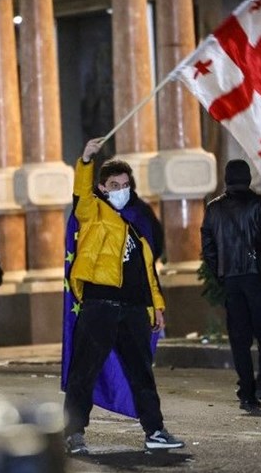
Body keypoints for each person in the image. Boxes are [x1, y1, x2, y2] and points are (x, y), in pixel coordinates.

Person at [63, 137, 184, 455]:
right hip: (99, 305)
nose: (121, 189)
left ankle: (155, 430)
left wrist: (156, 305)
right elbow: (81, 195)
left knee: (141, 373)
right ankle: (73, 434)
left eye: (125, 184)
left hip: (133, 310)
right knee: (84, 372)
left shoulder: (135, 228)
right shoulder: (93, 213)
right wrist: (87, 161)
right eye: (114, 184)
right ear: (102, 188)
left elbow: (148, 272)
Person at [200, 159, 261, 412]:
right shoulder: (258, 204)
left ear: (227, 179)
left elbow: (208, 248)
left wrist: (222, 273)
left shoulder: (213, 209)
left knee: (239, 338)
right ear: (248, 178)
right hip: (256, 277)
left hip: (231, 280)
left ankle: (247, 394)